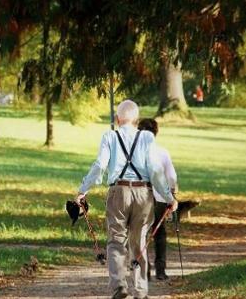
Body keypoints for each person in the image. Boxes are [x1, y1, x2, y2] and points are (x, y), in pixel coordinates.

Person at [75, 99, 178, 299]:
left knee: (115, 242)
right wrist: (168, 197)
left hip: (118, 192)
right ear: (136, 120)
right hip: (143, 194)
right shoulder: (147, 138)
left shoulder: (109, 136)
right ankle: (140, 291)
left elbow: (99, 165)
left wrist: (83, 189)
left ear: (117, 119)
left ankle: (119, 287)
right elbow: (155, 171)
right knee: (139, 242)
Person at [138, 118, 177, 281]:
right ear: (156, 133)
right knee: (159, 233)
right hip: (160, 198)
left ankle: (144, 272)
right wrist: (173, 196)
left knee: (141, 233)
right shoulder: (162, 152)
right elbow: (172, 177)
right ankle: (160, 271)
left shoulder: (135, 153)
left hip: (140, 197)